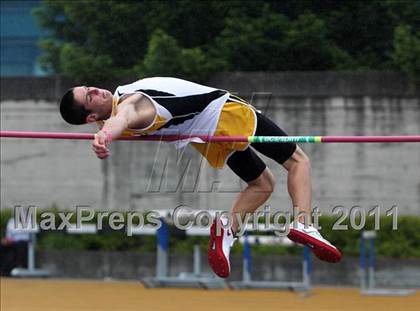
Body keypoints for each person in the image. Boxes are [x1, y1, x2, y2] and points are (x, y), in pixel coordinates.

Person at [59, 77, 341, 278]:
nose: (95, 89)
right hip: (224, 112)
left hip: (201, 134)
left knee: (262, 184)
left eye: (89, 87)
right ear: (90, 116)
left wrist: (103, 131)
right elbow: (123, 118)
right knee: (298, 161)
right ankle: (304, 224)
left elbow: (113, 122)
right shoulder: (134, 103)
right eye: (89, 96)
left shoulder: (115, 111)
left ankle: (225, 231)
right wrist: (105, 135)